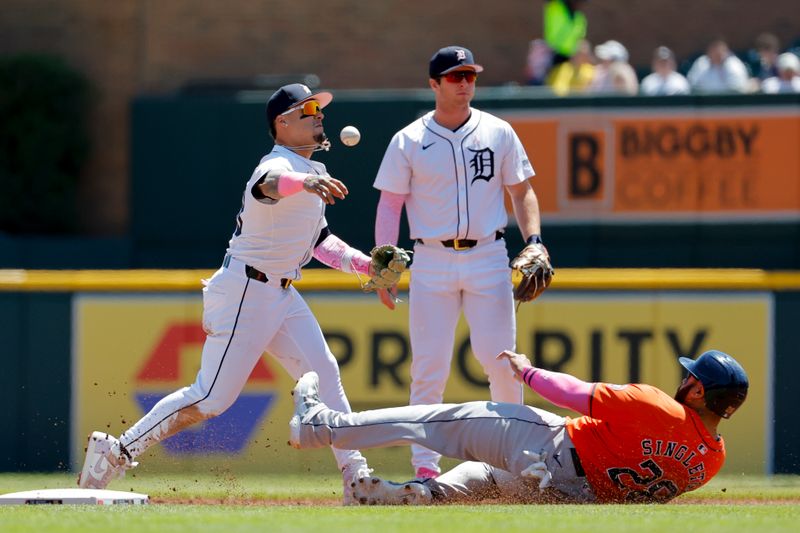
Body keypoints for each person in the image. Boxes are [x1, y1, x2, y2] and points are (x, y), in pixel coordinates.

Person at [77, 83, 379, 504]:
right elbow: (271, 185)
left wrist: (365, 265)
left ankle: (357, 478)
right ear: (283, 122)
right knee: (212, 396)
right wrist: (305, 183)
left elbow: (318, 242)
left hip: (281, 292)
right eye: (308, 108)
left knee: (325, 372)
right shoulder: (275, 165)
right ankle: (115, 452)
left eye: (320, 108)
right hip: (245, 290)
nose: (319, 115)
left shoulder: (316, 174)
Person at [371, 45, 551, 480]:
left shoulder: (499, 131)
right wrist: (383, 262)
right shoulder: (409, 139)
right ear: (434, 84)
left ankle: (515, 462)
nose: (465, 83)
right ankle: (426, 469)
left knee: (503, 361)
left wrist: (536, 241)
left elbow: (522, 191)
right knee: (429, 367)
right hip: (431, 258)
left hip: (489, 255)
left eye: (470, 75)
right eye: (455, 77)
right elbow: (390, 204)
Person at [290, 349, 749, 504]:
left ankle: (320, 426)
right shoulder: (713, 461)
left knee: (431, 421)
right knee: (482, 481)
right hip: (567, 493)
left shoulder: (656, 405)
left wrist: (527, 372)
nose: (683, 380)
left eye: (691, 378)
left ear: (699, 392)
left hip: (546, 446)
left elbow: (571, 393)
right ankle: (390, 495)